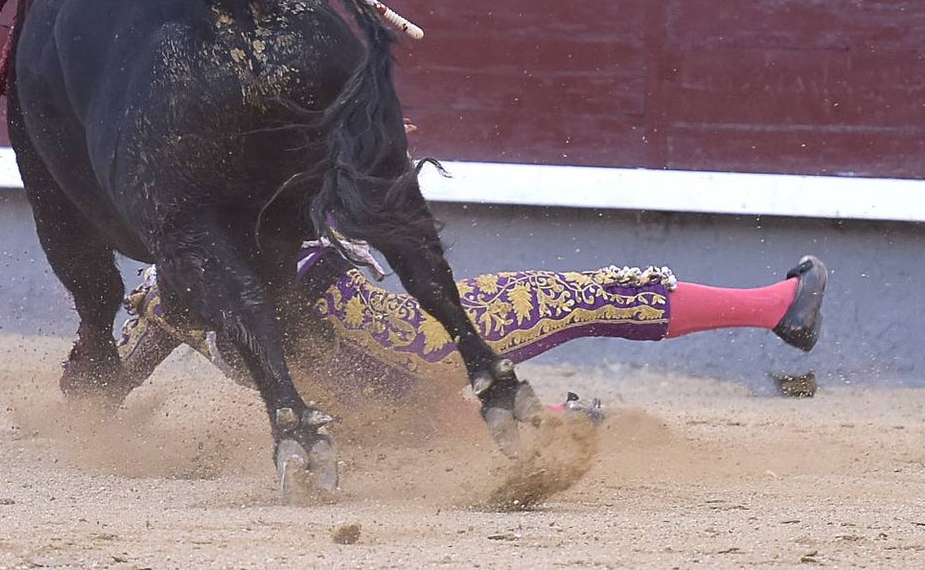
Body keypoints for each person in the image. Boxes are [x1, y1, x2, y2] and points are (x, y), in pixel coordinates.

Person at [116, 236, 827, 409]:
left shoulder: (160, 294)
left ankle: (547, 432)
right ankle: (777, 309)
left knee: (403, 419)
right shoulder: (286, 250)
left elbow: (105, 379)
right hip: (415, 362)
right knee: (590, 295)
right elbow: (412, 341)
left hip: (365, 404)